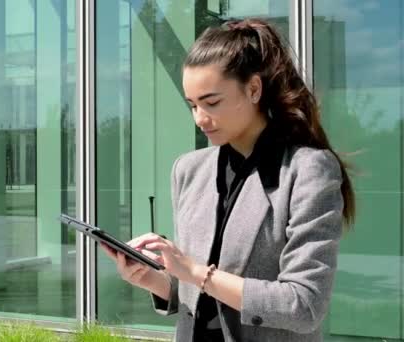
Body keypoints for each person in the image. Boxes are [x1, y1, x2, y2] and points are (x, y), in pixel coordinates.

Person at [101, 18, 354, 342]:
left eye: (212, 102)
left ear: (253, 89)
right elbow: (201, 294)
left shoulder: (307, 171)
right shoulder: (189, 170)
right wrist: (155, 280)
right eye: (192, 105)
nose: (200, 118)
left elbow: (304, 305)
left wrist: (194, 271)